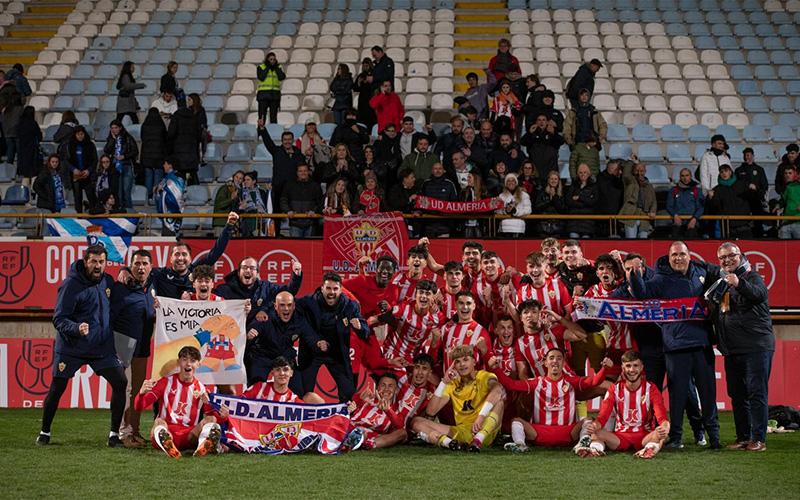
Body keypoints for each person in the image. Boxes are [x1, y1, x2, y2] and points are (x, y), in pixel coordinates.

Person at [628, 241, 721, 449]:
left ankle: (714, 437)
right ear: (668, 258)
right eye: (674, 255)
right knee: (677, 397)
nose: (678, 258)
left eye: (681, 254)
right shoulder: (661, 278)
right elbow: (641, 294)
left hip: (702, 344)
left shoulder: (702, 272)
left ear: (689, 255)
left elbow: (723, 277)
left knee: (708, 394)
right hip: (675, 347)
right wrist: (634, 275)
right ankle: (676, 437)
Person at [37, 245, 128, 447]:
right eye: (93, 261)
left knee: (120, 382)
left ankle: (114, 435)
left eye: (101, 262)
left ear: (106, 263)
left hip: (101, 348)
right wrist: (76, 328)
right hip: (72, 348)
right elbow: (59, 319)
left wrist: (127, 272)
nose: (98, 266)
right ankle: (45, 431)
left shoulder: (107, 281)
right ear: (85, 261)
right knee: (57, 388)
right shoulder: (70, 285)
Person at [706, 243, 774, 452]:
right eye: (722, 258)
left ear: (740, 256)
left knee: (756, 393)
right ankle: (744, 437)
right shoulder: (722, 283)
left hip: (756, 347)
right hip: (733, 349)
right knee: (737, 394)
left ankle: (759, 439)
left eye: (731, 256)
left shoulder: (751, 278)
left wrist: (739, 283)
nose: (727, 260)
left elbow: (759, 294)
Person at [492, 347, 608, 452]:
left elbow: (594, 382)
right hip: (540, 432)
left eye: (559, 358)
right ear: (545, 363)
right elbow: (511, 384)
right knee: (516, 421)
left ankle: (581, 444)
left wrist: (605, 368)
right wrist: (496, 368)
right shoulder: (536, 382)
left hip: (568, 432)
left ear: (563, 363)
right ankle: (520, 445)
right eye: (551, 358)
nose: (555, 361)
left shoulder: (571, 381)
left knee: (587, 420)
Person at [134, 345, 228, 458]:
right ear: (179, 363)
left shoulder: (202, 389)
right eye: (184, 360)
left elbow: (212, 416)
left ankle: (203, 446)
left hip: (189, 436)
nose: (188, 364)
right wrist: (141, 394)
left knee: (211, 420)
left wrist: (223, 416)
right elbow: (139, 407)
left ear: (198, 364)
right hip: (168, 431)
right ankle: (168, 443)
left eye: (193, 361)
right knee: (159, 421)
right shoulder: (165, 382)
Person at [412, 345, 505, 452]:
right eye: (457, 361)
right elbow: (431, 411)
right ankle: (450, 444)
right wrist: (444, 382)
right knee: (416, 422)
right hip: (462, 432)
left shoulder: (484, 376)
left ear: (474, 362)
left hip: (484, 428)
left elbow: (498, 390)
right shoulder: (452, 383)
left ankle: (478, 440)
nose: (462, 364)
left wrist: (481, 417)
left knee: (499, 402)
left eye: (465, 360)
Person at [579, 351, 670, 459]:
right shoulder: (614, 389)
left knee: (660, 435)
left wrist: (665, 428)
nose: (632, 370)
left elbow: (662, 417)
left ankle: (648, 449)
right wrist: (594, 426)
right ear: (622, 368)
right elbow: (602, 417)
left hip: (645, 436)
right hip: (620, 438)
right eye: (628, 366)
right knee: (596, 433)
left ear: (641, 367)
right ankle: (595, 450)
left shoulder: (651, 389)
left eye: (635, 366)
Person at [297, 272, 369, 402]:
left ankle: (343, 420)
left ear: (341, 290)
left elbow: (365, 331)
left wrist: (359, 327)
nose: (331, 292)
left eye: (335, 289)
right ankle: (304, 420)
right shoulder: (308, 302)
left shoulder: (350, 305)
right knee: (303, 392)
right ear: (322, 288)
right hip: (311, 352)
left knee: (348, 392)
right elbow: (292, 312)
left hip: (336, 353)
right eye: (328, 288)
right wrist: (316, 342)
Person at [110, 249, 155, 448]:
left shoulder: (153, 285)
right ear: (130, 266)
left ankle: (135, 431)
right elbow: (109, 317)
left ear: (151, 267)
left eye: (145, 263)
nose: (141, 267)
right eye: (136, 263)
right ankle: (123, 433)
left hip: (143, 346)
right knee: (126, 389)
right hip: (123, 345)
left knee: (138, 391)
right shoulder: (120, 288)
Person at [243, 290, 314, 393]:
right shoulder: (264, 317)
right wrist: (248, 336)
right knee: (255, 388)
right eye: (282, 305)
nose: (286, 308)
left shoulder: (299, 320)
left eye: (289, 305)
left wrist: (318, 343)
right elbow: (248, 332)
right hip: (262, 356)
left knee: (298, 390)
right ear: (275, 306)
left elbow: (311, 336)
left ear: (294, 306)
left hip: (285, 356)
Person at [378, 280, 442, 366]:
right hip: (392, 353)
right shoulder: (404, 308)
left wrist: (431, 363)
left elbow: (437, 339)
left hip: (413, 358)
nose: (423, 296)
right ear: (416, 294)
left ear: (433, 297)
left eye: (427, 294)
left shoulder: (437, 316)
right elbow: (379, 318)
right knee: (400, 376)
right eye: (421, 293)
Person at [345, 372, 411, 451]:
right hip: (350, 428)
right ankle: (352, 440)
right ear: (377, 388)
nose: (386, 389)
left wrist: (388, 410)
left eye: (390, 386)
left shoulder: (397, 409)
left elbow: (400, 427)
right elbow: (348, 408)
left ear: (396, 390)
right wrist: (358, 401)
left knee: (402, 433)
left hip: (370, 437)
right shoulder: (367, 399)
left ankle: (368, 445)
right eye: (383, 385)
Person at [257, 122, 304, 209]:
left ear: (293, 140)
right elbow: (268, 141)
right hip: (278, 188)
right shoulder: (276, 151)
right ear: (282, 141)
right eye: (285, 140)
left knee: (293, 213)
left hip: (294, 189)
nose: (287, 142)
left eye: (289, 139)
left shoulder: (298, 153)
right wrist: (262, 128)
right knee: (277, 214)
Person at [243, 356, 325, 404]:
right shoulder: (259, 387)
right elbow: (239, 403)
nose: (282, 373)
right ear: (272, 373)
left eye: (285, 369)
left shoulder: (294, 401)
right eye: (278, 370)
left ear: (291, 373)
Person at [516, 252, 572, 316]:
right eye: (531, 266)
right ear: (527, 269)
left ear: (545, 267)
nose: (535, 270)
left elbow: (569, 313)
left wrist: (558, 324)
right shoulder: (522, 292)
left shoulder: (558, 285)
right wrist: (507, 301)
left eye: (539, 266)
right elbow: (519, 318)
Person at [705, 164, 752, 238]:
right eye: (721, 172)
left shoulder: (742, 184)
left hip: (744, 223)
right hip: (727, 226)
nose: (724, 173)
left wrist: (753, 190)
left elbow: (753, 198)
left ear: (730, 172)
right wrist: (711, 198)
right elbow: (714, 206)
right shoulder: (717, 189)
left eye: (726, 171)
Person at [280, 163, 323, 238]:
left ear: (308, 172)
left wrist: (314, 211)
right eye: (300, 171)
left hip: (311, 223)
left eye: (305, 171)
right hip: (295, 223)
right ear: (297, 173)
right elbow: (283, 200)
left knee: (309, 249)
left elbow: (320, 202)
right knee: (296, 248)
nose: (303, 173)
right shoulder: (289, 185)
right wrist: (288, 210)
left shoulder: (315, 186)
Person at [103, 119, 138, 210]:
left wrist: (124, 156)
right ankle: (119, 212)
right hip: (114, 168)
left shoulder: (128, 138)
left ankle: (129, 213)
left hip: (126, 166)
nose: (114, 130)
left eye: (116, 128)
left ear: (120, 128)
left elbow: (135, 151)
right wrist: (113, 140)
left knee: (126, 191)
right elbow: (106, 150)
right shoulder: (111, 139)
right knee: (117, 192)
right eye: (112, 128)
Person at [735, 148, 769, 237]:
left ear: (753, 156)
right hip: (743, 201)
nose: (747, 157)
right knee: (744, 223)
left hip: (756, 200)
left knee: (758, 222)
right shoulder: (739, 170)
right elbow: (737, 185)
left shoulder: (759, 169)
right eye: (745, 155)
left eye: (749, 155)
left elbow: (764, 185)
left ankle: (759, 237)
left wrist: (756, 189)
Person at [619, 160, 657, 239]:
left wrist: (653, 211)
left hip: (644, 217)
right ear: (633, 171)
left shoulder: (649, 186)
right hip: (630, 216)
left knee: (643, 243)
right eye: (637, 170)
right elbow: (626, 173)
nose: (639, 173)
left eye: (642, 170)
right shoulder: (630, 181)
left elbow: (654, 202)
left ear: (645, 171)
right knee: (631, 242)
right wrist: (631, 161)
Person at [420, 162, 458, 237]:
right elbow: (421, 201)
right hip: (429, 225)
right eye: (435, 169)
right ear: (432, 170)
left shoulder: (450, 184)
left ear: (444, 170)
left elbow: (454, 203)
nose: (438, 171)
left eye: (440, 169)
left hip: (445, 225)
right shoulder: (426, 184)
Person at [65, 125, 98, 212]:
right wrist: (73, 169)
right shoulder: (69, 145)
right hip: (76, 176)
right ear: (75, 135)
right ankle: (79, 217)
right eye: (78, 134)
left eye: (82, 134)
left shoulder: (90, 145)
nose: (80, 136)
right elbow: (66, 161)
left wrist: (88, 170)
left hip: (88, 175)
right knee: (77, 198)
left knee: (91, 196)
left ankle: (93, 215)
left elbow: (95, 160)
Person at [167, 100, 201, 185]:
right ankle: (195, 193)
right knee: (191, 175)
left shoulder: (176, 116)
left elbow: (171, 134)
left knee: (180, 177)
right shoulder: (193, 117)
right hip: (191, 153)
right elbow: (199, 134)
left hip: (179, 154)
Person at [140, 108, 168, 205]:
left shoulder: (145, 125)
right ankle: (157, 199)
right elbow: (165, 139)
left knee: (148, 177)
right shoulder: (161, 125)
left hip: (147, 157)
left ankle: (148, 198)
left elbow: (142, 138)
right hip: (159, 157)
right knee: (158, 178)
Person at [667, 167, 704, 239]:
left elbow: (701, 207)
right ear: (680, 177)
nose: (685, 178)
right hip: (677, 223)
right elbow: (669, 206)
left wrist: (694, 219)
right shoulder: (674, 190)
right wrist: (675, 215)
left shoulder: (697, 190)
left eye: (687, 175)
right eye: (682, 176)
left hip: (692, 223)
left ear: (690, 176)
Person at [565, 163, 598, 238]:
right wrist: (584, 202)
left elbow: (593, 201)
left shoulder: (593, 186)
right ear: (577, 174)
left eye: (585, 172)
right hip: (574, 221)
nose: (583, 174)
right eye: (580, 172)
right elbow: (568, 201)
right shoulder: (573, 185)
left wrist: (579, 198)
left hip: (587, 222)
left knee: (585, 245)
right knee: (573, 245)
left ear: (589, 173)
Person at [155, 156, 185, 236]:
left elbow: (176, 197)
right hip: (165, 214)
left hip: (171, 215)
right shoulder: (166, 178)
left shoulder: (176, 178)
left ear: (170, 165)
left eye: (165, 164)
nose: (163, 166)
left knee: (171, 238)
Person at [496, 173, 531, 238]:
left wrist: (515, 211)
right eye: (508, 181)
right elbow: (497, 211)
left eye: (513, 180)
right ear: (506, 183)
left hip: (519, 228)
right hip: (505, 228)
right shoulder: (501, 196)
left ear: (516, 182)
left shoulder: (524, 195)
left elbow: (528, 210)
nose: (511, 182)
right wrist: (506, 210)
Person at [595, 159, 624, 237]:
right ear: (610, 168)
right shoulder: (601, 178)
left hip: (616, 215)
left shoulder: (619, 179)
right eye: (616, 169)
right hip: (604, 216)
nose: (619, 171)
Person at [256, 52, 286, 123]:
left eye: (274, 59)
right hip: (263, 95)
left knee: (273, 117)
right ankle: (261, 133)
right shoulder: (261, 67)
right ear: (267, 60)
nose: (272, 61)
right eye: (270, 59)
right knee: (262, 117)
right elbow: (261, 77)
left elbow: (282, 77)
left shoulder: (278, 67)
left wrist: (276, 67)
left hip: (275, 96)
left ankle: (273, 133)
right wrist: (268, 67)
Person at [533, 170, 565, 236]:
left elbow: (563, 209)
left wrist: (554, 197)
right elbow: (537, 208)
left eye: (556, 179)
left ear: (559, 181)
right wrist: (548, 201)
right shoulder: (541, 193)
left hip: (557, 228)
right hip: (543, 227)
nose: (553, 181)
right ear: (548, 180)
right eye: (551, 179)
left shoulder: (563, 194)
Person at [14, 105, 41, 184]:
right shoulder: (33, 123)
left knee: (25, 175)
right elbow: (39, 136)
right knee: (33, 173)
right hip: (32, 150)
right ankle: (33, 191)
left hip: (22, 151)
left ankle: (24, 192)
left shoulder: (20, 123)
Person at [777, 166, 800, 239]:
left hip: (798, 223)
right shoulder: (787, 187)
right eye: (786, 173)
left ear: (795, 174)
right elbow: (783, 201)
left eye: (790, 173)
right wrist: (778, 205)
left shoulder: (797, 186)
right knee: (783, 248)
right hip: (786, 222)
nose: (787, 175)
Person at [354, 58, 377, 131]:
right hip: (362, 100)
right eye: (364, 66)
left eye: (367, 65)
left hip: (371, 98)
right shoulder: (361, 75)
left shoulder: (374, 74)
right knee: (362, 118)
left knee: (371, 117)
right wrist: (359, 83)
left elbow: (376, 86)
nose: (365, 67)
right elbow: (355, 88)